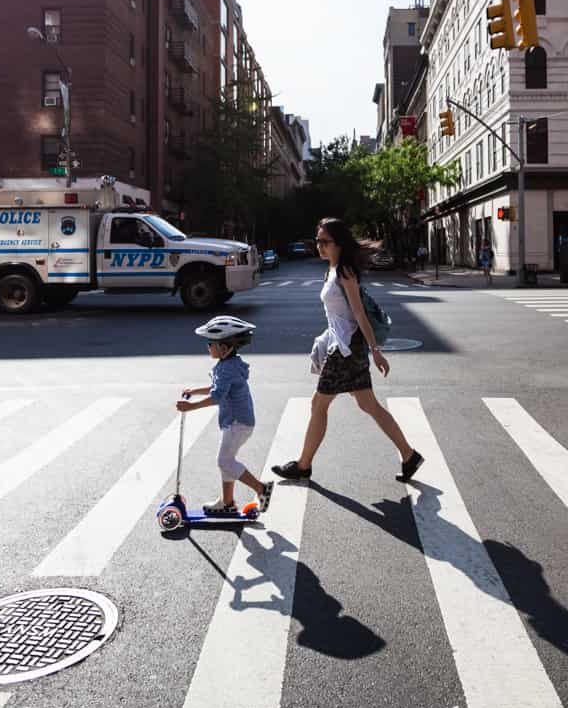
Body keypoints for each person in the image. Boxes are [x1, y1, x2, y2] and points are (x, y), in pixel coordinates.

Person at [272, 218, 423, 483]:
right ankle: (409, 455)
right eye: (317, 240)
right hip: (341, 344)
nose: (319, 246)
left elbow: (358, 313)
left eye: (325, 241)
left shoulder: (345, 273)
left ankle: (304, 465)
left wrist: (375, 350)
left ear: (339, 244)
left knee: (319, 404)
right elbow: (338, 316)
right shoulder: (331, 269)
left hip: (347, 349)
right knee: (368, 404)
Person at [176, 315, 274, 516]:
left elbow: (216, 396)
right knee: (227, 460)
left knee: (224, 461)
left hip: (238, 424)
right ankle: (227, 502)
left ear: (225, 347)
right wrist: (194, 391)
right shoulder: (229, 364)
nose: (208, 347)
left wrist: (190, 407)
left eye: (211, 343)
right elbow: (215, 388)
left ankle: (261, 489)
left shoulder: (226, 369)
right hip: (239, 422)